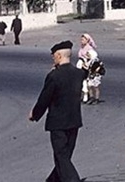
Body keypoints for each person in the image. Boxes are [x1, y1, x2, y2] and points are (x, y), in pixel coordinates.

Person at [29, 39, 86, 182]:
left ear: (59, 56)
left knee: (61, 157)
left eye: (53, 56)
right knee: (64, 157)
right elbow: (85, 72)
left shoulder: (54, 76)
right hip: (74, 121)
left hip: (58, 123)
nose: (53, 58)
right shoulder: (78, 74)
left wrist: (35, 115)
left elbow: (44, 99)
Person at [77, 33, 103, 104]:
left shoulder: (90, 50)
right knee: (86, 84)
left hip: (90, 70)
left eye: (83, 39)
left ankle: (94, 98)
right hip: (84, 67)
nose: (81, 41)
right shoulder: (82, 47)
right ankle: (89, 97)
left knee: (93, 86)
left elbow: (94, 60)